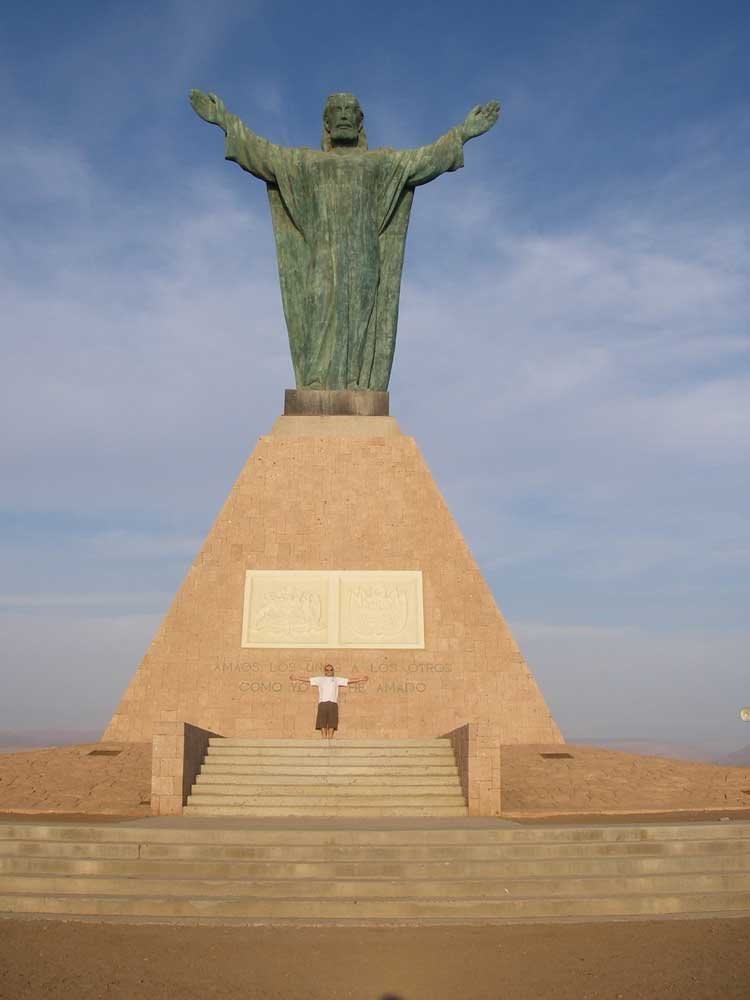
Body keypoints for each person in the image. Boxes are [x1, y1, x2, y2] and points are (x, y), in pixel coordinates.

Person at [189, 89, 500, 391]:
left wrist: (462, 133)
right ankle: (316, 384)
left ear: (359, 122)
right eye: (335, 111)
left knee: (360, 320)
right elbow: (262, 153)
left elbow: (425, 159)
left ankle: (356, 384)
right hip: (322, 255)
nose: (343, 117)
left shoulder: (381, 162)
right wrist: (225, 121)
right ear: (326, 123)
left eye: (349, 111)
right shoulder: (305, 162)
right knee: (320, 310)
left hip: (364, 256)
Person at [289, 663, 369, 739]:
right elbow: (308, 679)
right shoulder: (320, 679)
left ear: (333, 671)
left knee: (332, 720)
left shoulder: (336, 679)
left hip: (333, 702)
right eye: (327, 670)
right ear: (325, 671)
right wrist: (296, 678)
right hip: (322, 702)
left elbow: (349, 680)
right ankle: (324, 737)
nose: (329, 671)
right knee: (322, 720)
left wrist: (361, 679)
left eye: (330, 670)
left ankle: (330, 737)